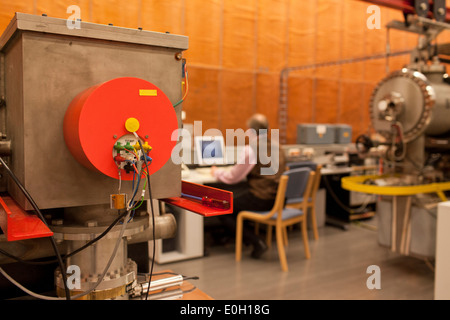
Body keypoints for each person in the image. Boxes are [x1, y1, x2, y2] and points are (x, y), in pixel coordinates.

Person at [210, 114, 285, 259]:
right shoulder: (278, 147)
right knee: (238, 199)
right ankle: (245, 237)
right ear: (268, 129)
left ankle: (255, 241)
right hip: (277, 198)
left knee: (222, 207)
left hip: (261, 198)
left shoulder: (251, 149)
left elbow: (232, 178)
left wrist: (216, 172)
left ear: (250, 131)